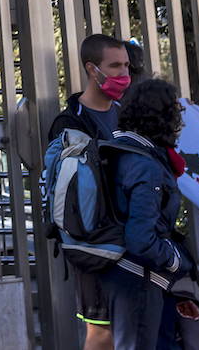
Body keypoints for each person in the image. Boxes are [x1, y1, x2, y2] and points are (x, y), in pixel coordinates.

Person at [47, 34, 132, 350]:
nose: (123, 74)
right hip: (94, 243)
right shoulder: (69, 123)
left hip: (134, 237)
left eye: (125, 65)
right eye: (115, 66)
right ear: (92, 69)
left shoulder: (129, 114)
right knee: (102, 333)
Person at [103, 78, 197, 350]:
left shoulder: (121, 151)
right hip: (138, 277)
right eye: (175, 111)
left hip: (123, 273)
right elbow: (141, 238)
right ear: (164, 116)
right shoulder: (146, 164)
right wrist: (177, 260)